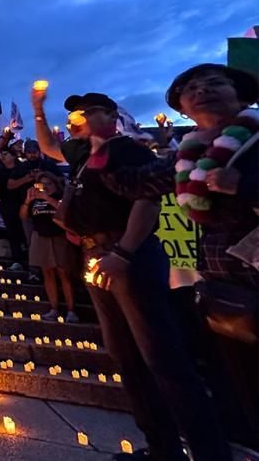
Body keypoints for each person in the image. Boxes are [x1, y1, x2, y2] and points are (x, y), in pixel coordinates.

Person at [62, 91, 231, 461]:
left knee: (162, 358)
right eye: (75, 113)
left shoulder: (127, 149)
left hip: (128, 259)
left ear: (110, 115)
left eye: (87, 111)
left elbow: (146, 199)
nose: (78, 118)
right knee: (127, 359)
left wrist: (124, 251)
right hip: (98, 258)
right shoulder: (85, 157)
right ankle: (162, 447)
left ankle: (209, 452)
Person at [20, 172, 78, 322]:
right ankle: (54, 309)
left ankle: (71, 310)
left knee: (63, 273)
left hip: (59, 236)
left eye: (48, 184)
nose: (44, 187)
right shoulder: (35, 200)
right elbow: (24, 216)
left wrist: (47, 198)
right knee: (48, 273)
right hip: (41, 236)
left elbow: (65, 211)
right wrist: (28, 200)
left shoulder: (60, 195)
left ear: (55, 184)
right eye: (41, 184)